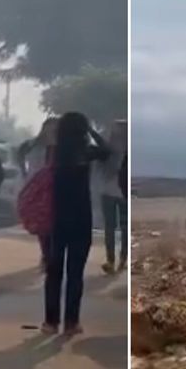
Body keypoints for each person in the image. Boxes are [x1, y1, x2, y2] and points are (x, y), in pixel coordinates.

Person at [43, 112, 111, 336]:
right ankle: (71, 322)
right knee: (75, 272)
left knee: (54, 271)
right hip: (81, 216)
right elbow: (106, 151)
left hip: (57, 216)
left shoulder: (54, 152)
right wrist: (92, 130)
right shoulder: (86, 152)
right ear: (83, 130)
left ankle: (50, 322)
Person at [18, 117, 60, 270]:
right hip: (34, 186)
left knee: (50, 222)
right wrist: (23, 171)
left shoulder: (59, 147)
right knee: (40, 222)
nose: (51, 131)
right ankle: (46, 254)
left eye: (54, 129)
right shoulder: (32, 145)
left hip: (51, 188)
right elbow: (20, 154)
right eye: (49, 128)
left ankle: (49, 256)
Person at [94, 119, 128, 274]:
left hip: (121, 194)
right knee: (111, 227)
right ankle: (111, 260)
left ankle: (122, 259)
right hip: (108, 192)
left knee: (122, 227)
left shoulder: (124, 151)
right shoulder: (106, 150)